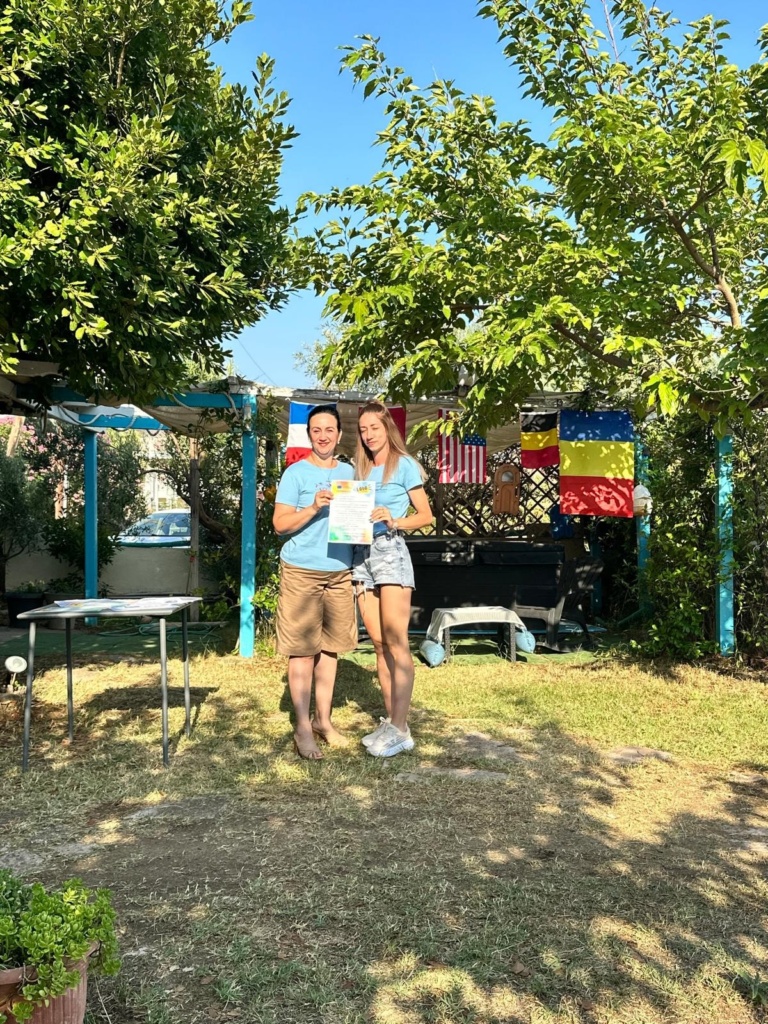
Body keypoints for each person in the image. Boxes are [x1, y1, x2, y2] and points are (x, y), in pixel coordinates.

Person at [273, 405, 358, 759]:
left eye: (329, 429)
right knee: (302, 651)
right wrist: (312, 508)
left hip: (339, 571)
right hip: (301, 571)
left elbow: (357, 522)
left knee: (331, 649)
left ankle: (323, 720)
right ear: (309, 435)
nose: (323, 436)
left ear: (339, 434)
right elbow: (280, 524)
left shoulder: (349, 472)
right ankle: (302, 728)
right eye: (316, 430)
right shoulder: (295, 473)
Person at [353, 401, 434, 757]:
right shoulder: (361, 469)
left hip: (389, 550)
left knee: (396, 641)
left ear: (387, 428)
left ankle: (400, 728)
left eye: (374, 427)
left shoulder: (404, 465)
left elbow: (426, 515)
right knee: (378, 642)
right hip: (361, 556)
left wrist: (394, 520)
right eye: (363, 429)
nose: (369, 435)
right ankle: (392, 722)